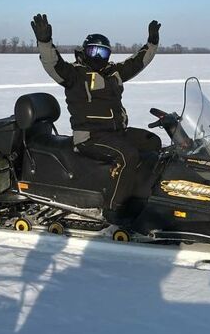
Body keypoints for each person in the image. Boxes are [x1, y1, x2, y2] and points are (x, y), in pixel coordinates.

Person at [31, 14, 162, 224]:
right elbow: (52, 64)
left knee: (152, 142)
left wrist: (152, 43)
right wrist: (45, 42)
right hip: (90, 136)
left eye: (104, 52)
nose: (99, 56)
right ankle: (114, 209)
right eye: (94, 50)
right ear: (85, 51)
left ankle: (141, 193)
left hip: (116, 133)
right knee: (127, 155)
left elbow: (137, 62)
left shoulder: (113, 73)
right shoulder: (75, 74)